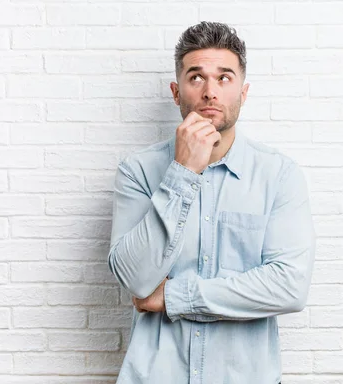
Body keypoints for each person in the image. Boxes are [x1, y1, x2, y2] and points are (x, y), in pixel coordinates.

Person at [108, 21, 316, 384]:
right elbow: (136, 279)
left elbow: (289, 287)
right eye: (196, 77)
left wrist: (173, 295)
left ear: (243, 91)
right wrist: (183, 171)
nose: (210, 92)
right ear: (176, 91)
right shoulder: (137, 172)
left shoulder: (279, 175)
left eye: (224, 78)